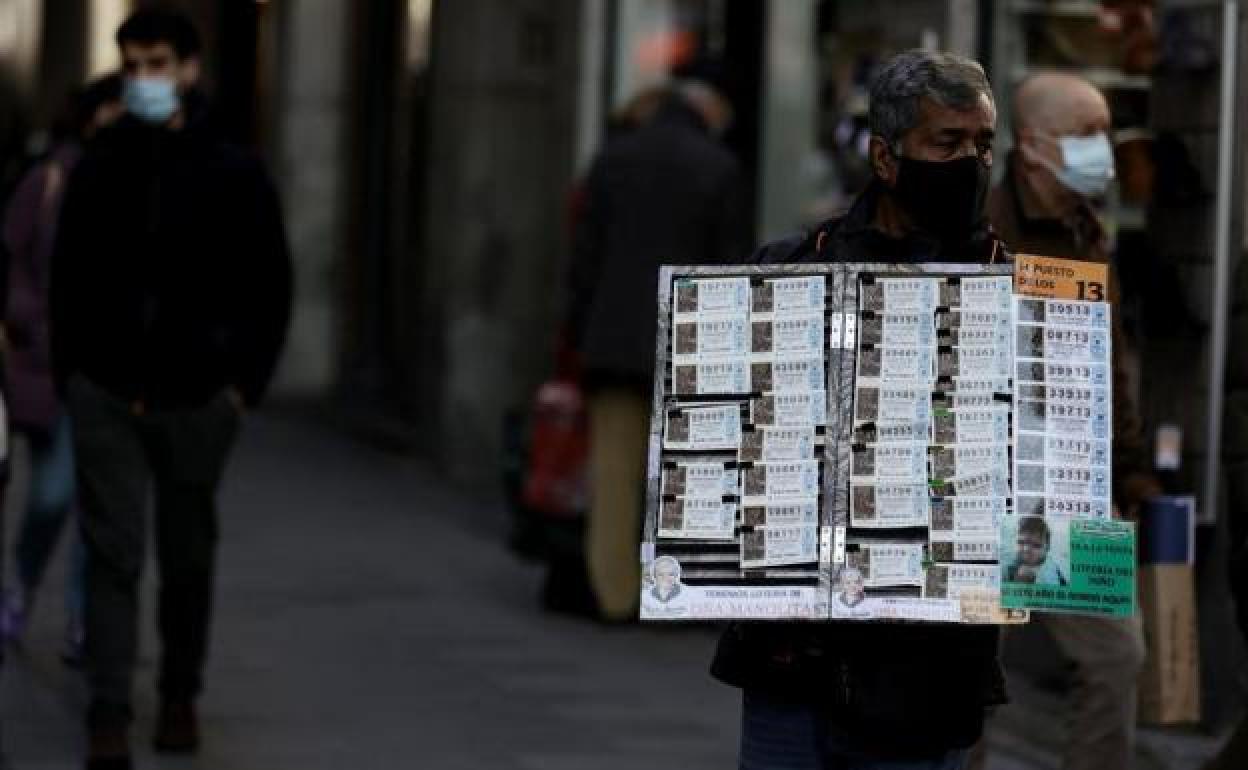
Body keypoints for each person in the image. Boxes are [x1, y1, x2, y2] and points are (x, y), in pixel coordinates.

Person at [712, 50, 1005, 769]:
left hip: (930, 673)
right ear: (885, 156)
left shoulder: (1018, 293)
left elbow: (1054, 488)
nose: (970, 161)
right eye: (947, 143)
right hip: (794, 664)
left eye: (983, 145)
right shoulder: (791, 271)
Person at [49, 9, 292, 768]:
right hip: (110, 393)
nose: (143, 79)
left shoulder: (233, 167)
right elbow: (68, 278)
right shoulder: (102, 162)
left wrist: (240, 388)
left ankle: (181, 693)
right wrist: (75, 376)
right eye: (132, 65)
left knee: (187, 558)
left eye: (156, 63)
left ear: (188, 68)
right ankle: (110, 710)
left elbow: (270, 286)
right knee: (112, 554)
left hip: (198, 397)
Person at [984, 72, 1151, 770]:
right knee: (967, 675)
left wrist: (1130, 458)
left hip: (1071, 481)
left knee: (1118, 654)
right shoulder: (983, 228)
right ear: (1032, 145)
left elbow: (1108, 357)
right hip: (985, 478)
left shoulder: (1088, 227)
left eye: (1103, 131)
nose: (1101, 149)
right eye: (1085, 133)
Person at [566, 79, 750, 622]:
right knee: (687, 474)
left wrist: (581, 331)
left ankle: (614, 594)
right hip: (688, 343)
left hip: (615, 342)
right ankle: (677, 594)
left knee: (616, 472)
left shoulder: (613, 159)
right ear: (708, 110)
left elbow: (584, 259)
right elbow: (729, 266)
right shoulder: (719, 167)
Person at [0, 73, 123, 666]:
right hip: (52, 368)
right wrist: (33, 320)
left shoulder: (137, 180)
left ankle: (81, 617)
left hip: (112, 373)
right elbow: (10, 263)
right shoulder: (49, 180)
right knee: (52, 493)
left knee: (97, 508)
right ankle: (21, 583)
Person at [1004, 516, 1068, 586]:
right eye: (1021, 542)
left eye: (1036, 545)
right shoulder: (1010, 563)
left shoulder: (1050, 575)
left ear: (1047, 549)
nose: (1026, 549)